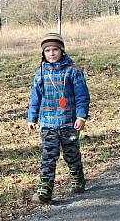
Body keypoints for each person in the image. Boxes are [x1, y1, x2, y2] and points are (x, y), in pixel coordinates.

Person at [26, 32, 91, 204]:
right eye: (47, 50)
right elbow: (35, 97)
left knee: (71, 154)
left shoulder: (73, 71)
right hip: (48, 123)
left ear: (62, 50)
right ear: (43, 53)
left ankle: (78, 179)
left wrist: (81, 116)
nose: (51, 53)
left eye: (55, 49)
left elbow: (82, 96)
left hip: (69, 122)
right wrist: (32, 117)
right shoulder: (40, 73)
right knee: (48, 157)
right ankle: (45, 190)